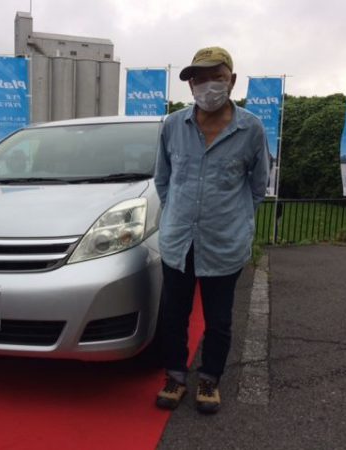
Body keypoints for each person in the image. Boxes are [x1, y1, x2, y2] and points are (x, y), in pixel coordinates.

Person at [154, 47, 269, 414]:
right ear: (190, 86)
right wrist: (176, 214)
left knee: (218, 320)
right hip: (179, 242)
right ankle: (175, 376)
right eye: (198, 79)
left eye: (215, 77)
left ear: (231, 80)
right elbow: (163, 179)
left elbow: (258, 187)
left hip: (224, 243)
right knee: (174, 316)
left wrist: (236, 223)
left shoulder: (251, 128)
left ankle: (209, 379)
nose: (207, 86)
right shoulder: (173, 125)